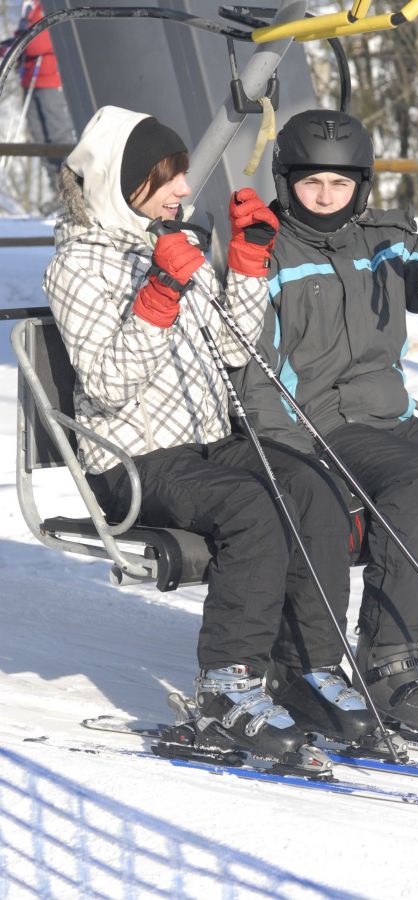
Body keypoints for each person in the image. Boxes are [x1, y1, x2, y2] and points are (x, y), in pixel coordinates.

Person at [43, 105, 376, 764]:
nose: (183, 191)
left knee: (311, 487)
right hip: (134, 462)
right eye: (165, 178)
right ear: (121, 181)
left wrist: (248, 264)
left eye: (181, 176)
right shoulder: (76, 265)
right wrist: (161, 291)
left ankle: (306, 666)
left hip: (199, 444)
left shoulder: (166, 242)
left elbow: (230, 347)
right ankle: (227, 687)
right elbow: (109, 384)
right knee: (250, 508)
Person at [235, 108, 418, 739]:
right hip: (319, 425)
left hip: (389, 413)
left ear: (362, 186)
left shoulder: (384, 239)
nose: (325, 196)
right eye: (311, 182)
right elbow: (253, 368)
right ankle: (387, 658)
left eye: (340, 184)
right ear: (285, 179)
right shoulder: (264, 250)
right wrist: (290, 457)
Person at [7, 1, 75, 212]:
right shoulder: (29, 7)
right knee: (40, 137)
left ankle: (71, 192)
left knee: (58, 135)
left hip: (50, 80)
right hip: (30, 81)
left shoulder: (50, 6)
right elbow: (25, 36)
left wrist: (21, 44)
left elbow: (44, 39)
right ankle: (56, 190)